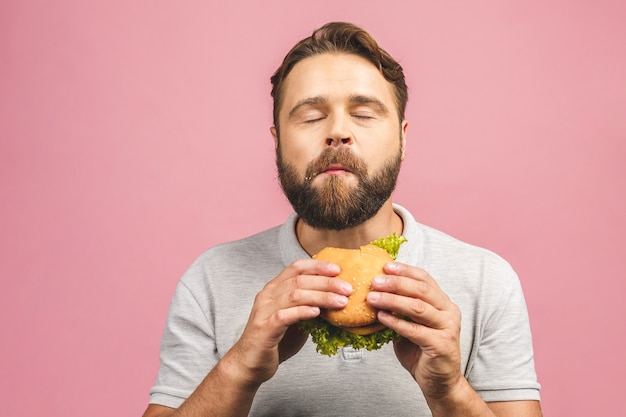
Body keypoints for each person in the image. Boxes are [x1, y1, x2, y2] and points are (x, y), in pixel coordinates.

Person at [142, 22, 542, 417]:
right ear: (277, 142)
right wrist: (239, 369)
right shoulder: (210, 279)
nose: (338, 131)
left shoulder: (487, 280)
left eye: (364, 113)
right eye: (312, 116)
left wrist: (449, 390)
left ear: (403, 140)